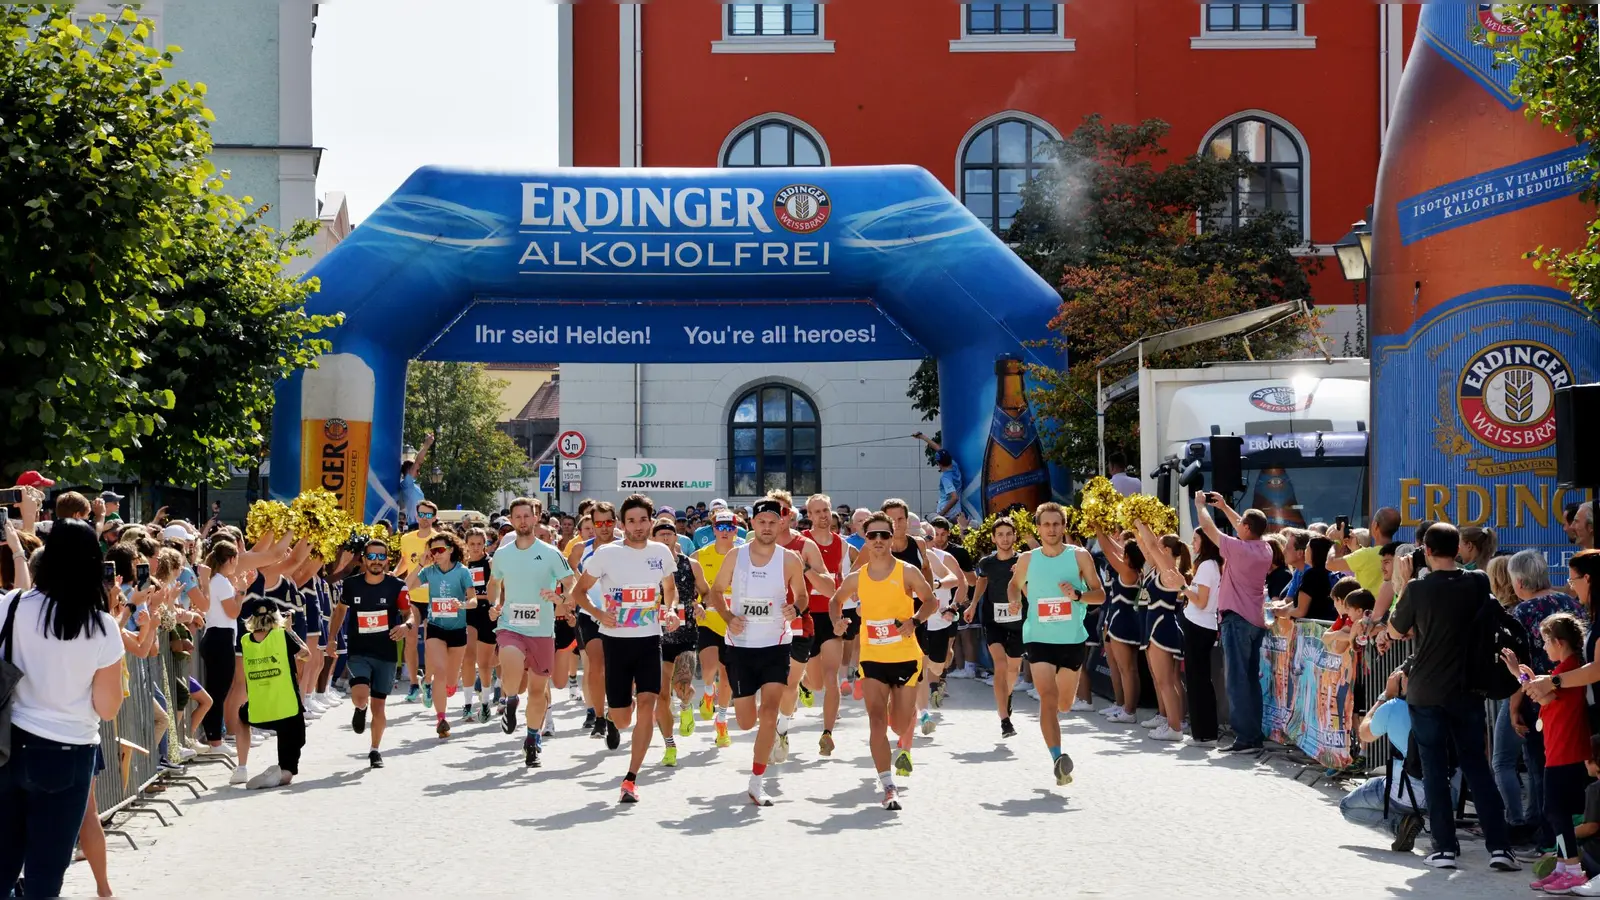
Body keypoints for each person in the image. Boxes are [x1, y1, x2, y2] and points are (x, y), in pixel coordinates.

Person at [0, 519, 126, 899]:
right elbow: (107, 708)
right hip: (68, 752)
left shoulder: (12, 604)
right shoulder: (102, 627)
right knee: (45, 878)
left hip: (8, 746)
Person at [1387, 522, 1520, 872]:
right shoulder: (1478, 582)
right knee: (1477, 765)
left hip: (1426, 690)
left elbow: (1395, 630)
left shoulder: (1417, 588)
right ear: (1457, 548)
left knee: (1435, 769)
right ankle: (1500, 848)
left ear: (1426, 550)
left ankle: (1445, 847)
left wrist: (1403, 582)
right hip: (1467, 688)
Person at [570, 494, 680, 803]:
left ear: (651, 520)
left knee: (649, 703)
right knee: (622, 719)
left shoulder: (661, 551)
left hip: (648, 640)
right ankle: (612, 710)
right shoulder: (606, 554)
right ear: (623, 524)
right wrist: (598, 613)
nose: (638, 526)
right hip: (615, 642)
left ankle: (631, 778)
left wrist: (670, 610)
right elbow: (578, 592)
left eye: (643, 520)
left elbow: (669, 589)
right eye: (631, 521)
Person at [828, 511, 938, 810]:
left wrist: (914, 621)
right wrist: (837, 622)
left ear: (893, 538)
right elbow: (835, 601)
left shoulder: (907, 572)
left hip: (905, 658)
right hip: (874, 659)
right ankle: (888, 785)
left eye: (884, 535)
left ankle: (905, 719)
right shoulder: (857, 577)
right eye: (872, 535)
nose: (878, 540)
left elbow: (931, 601)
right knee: (876, 722)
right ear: (866, 539)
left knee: (898, 724)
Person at [706, 499, 811, 806]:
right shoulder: (736, 556)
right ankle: (733, 715)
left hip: (776, 645)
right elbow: (715, 591)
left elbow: (802, 595)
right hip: (740, 647)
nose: (767, 527)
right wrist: (728, 618)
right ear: (752, 524)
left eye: (772, 522)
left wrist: (796, 608)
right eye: (761, 522)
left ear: (781, 524)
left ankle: (756, 780)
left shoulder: (789, 559)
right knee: (746, 722)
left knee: (768, 715)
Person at [1007, 502, 1106, 786]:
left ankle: (1058, 746)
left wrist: (1077, 595)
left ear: (1063, 527)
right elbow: (1015, 584)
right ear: (1037, 528)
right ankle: (1057, 758)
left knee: (1064, 703)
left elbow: (1099, 595)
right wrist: (1014, 598)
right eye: (1046, 524)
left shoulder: (1079, 556)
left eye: (1056, 524)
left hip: (1071, 638)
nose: (1051, 529)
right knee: (1047, 699)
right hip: (1039, 638)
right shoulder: (1028, 559)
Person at [1504, 613, 1589, 892]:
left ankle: (1573, 869)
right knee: (1554, 811)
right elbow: (1541, 686)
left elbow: (1543, 693)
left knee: (1557, 811)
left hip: (1566, 753)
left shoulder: (1569, 671)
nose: (1543, 648)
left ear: (1559, 642)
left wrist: (1520, 674)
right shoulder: (1564, 669)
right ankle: (1564, 867)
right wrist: (1523, 674)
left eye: (1546, 642)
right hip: (1559, 752)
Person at [491, 497, 576, 769]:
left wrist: (560, 597)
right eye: (517, 517)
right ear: (511, 520)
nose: (523, 521)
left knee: (538, 691)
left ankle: (531, 740)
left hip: (541, 630)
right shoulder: (502, 554)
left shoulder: (551, 553)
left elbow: (569, 583)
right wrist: (494, 605)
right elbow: (494, 583)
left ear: (535, 518)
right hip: (510, 625)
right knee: (510, 657)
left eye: (527, 516)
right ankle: (512, 699)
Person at [1194, 491, 1272, 752]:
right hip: (1253, 622)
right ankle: (1253, 735)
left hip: (1236, 621)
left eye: (1242, 524)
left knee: (1237, 681)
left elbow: (1208, 528)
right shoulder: (1265, 548)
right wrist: (1226, 506)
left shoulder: (1239, 549)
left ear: (1247, 528)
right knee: (1249, 680)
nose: (1238, 525)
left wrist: (1200, 505)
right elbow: (1246, 525)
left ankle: (1246, 738)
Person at [1339, 664, 1444, 854]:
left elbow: (1364, 734)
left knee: (1347, 807)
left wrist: (1384, 697)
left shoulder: (1394, 706)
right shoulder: (1444, 705)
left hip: (1404, 792)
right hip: (1442, 795)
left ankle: (1398, 825)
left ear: (1403, 678)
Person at [335, 539, 407, 768]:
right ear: (364, 560)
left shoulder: (397, 586)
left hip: (386, 653)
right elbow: (339, 611)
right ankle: (360, 707)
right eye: (372, 557)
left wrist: (407, 626)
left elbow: (409, 614)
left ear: (387, 560)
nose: (376, 561)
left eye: (381, 557)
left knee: (379, 707)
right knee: (360, 695)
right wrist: (330, 639)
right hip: (359, 651)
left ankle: (375, 750)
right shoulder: (351, 585)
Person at [234, 592, 311, 790]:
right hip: (287, 710)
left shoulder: (245, 640)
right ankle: (279, 776)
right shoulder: (282, 635)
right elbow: (306, 655)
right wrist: (290, 629)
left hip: (259, 709)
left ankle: (241, 766)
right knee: (290, 767)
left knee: (241, 715)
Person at [405, 529, 476, 739]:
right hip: (435, 627)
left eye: (439, 549)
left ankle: (443, 686)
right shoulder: (429, 571)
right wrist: (420, 564)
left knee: (451, 681)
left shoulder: (463, 571)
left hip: (457, 629)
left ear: (451, 549)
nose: (435, 554)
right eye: (432, 550)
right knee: (440, 671)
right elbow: (406, 586)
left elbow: (473, 600)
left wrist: (461, 604)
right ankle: (441, 719)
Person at [801, 493, 854, 756]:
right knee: (816, 683)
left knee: (832, 677)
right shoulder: (801, 543)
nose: (823, 515)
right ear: (809, 515)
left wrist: (850, 595)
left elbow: (842, 577)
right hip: (806, 615)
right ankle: (803, 684)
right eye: (817, 511)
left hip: (831, 615)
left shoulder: (842, 544)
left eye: (826, 510)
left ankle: (827, 733)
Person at [968, 517, 1025, 736]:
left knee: (1013, 669)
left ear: (1015, 536)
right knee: (1000, 666)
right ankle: (1005, 720)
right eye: (1000, 534)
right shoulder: (986, 563)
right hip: (994, 622)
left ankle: (1007, 695)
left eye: (1008, 534)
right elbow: (982, 580)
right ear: (993, 538)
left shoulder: (1023, 561)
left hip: (1019, 622)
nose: (1004, 538)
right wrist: (973, 605)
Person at [1132, 523, 1188, 741]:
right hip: (1153, 626)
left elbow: (1152, 546)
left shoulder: (1169, 571)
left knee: (1166, 681)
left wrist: (1141, 522)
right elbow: (1149, 548)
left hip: (1161, 627)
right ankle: (1170, 722)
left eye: (1159, 546)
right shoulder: (1158, 568)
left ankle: (1175, 728)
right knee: (1161, 680)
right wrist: (1137, 529)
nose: (1152, 548)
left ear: (1165, 550)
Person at [568, 500, 619, 740]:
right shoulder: (581, 549)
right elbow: (573, 575)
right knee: (596, 665)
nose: (604, 527)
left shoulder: (625, 547)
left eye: (609, 522)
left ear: (615, 522)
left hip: (622, 616)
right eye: (599, 522)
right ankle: (599, 717)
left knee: (617, 668)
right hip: (591, 614)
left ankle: (615, 713)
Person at [652, 517, 700, 767]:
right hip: (656, 634)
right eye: (661, 534)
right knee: (661, 694)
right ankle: (669, 745)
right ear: (653, 538)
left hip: (686, 632)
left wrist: (701, 604)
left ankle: (685, 705)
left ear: (676, 538)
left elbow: (704, 590)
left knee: (682, 688)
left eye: (670, 533)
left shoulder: (690, 564)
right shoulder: (647, 565)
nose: (666, 537)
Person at [692, 510, 739, 748]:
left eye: (729, 527)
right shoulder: (700, 555)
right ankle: (708, 691)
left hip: (733, 621)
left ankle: (722, 722)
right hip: (708, 620)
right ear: (713, 529)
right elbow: (691, 589)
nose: (724, 532)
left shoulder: (743, 554)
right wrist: (698, 604)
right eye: (720, 527)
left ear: (736, 530)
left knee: (728, 675)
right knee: (709, 667)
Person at [1179, 528, 1222, 746]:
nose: (1192, 543)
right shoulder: (1209, 565)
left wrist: (1182, 586)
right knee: (1198, 679)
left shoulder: (1207, 566)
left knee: (1198, 681)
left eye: (1195, 539)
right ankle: (1203, 732)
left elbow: (1201, 601)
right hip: (1201, 625)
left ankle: (1204, 734)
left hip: (1199, 625)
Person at [460, 527, 496, 723]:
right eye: (471, 544)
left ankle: (485, 702)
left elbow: (495, 592)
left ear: (485, 544)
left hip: (488, 613)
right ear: (466, 544)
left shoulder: (490, 563)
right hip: (468, 612)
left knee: (485, 664)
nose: (475, 548)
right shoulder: (461, 565)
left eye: (479, 544)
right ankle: (466, 704)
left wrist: (477, 595)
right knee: (468, 656)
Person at [913, 432, 963, 519]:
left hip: (949, 516)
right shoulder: (954, 466)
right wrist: (922, 437)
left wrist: (940, 515)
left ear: (938, 463)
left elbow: (954, 498)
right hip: (956, 513)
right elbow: (938, 449)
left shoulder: (946, 478)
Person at [396, 431, 435, 526]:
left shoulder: (412, 485)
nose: (419, 472)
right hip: (415, 524)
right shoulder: (406, 483)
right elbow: (418, 462)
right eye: (417, 470)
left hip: (421, 522)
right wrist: (426, 446)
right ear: (409, 470)